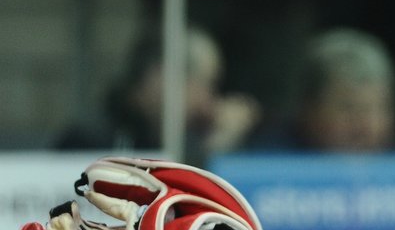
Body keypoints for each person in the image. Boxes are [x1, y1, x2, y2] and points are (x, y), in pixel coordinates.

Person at [55, 27, 261, 168]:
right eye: (204, 84)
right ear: (161, 75)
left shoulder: (183, 138)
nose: (207, 102)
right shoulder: (89, 139)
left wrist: (218, 146)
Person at [255, 28, 395, 152]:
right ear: (309, 108)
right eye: (349, 108)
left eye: (378, 108)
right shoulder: (265, 160)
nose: (366, 127)